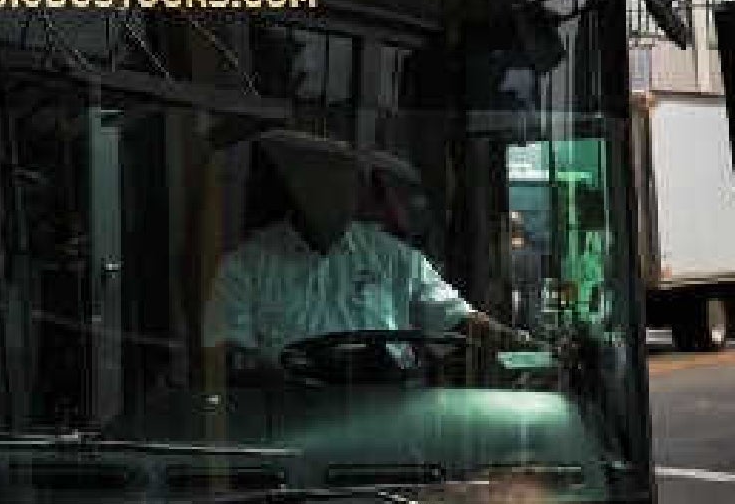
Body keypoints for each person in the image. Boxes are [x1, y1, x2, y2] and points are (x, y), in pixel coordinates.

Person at [204, 131, 528, 379]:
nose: (342, 194)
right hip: (286, 422)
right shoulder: (245, 267)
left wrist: (522, 345)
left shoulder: (393, 257)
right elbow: (227, 359)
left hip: (390, 413)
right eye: (327, 182)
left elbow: (458, 319)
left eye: (349, 182)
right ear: (299, 189)